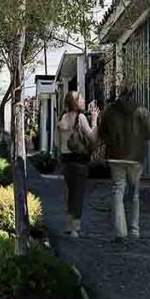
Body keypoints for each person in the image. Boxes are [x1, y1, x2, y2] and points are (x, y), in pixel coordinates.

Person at [97, 88, 150, 240]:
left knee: (117, 191)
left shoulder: (110, 111)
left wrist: (111, 141)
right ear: (133, 95)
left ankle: (121, 231)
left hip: (116, 156)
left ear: (119, 95)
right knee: (134, 193)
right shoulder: (142, 111)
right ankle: (135, 229)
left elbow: (101, 132)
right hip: (136, 157)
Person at [57, 91, 98, 238]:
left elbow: (59, 143)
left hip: (65, 159)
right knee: (78, 193)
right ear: (75, 102)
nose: (83, 100)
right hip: (79, 159)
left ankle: (68, 224)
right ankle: (75, 227)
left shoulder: (63, 118)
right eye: (80, 98)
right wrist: (94, 120)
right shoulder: (80, 118)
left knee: (70, 192)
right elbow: (92, 137)